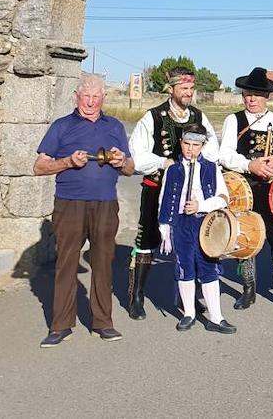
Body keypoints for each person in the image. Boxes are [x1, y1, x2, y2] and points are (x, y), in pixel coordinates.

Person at [34, 75, 134, 347]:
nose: (90, 102)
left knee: (103, 262)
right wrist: (67, 161)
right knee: (66, 262)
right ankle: (60, 325)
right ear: (76, 97)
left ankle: (103, 323)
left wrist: (120, 160)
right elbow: (39, 166)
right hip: (69, 203)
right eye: (85, 96)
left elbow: (129, 169)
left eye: (96, 96)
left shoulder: (114, 126)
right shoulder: (62, 126)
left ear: (103, 98)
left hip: (105, 203)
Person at [126, 67, 218, 320]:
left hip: (191, 195)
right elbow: (137, 154)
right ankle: (136, 295)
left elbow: (212, 150)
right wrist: (163, 163)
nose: (189, 93)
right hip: (157, 189)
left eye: (191, 89)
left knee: (192, 243)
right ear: (172, 89)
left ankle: (187, 296)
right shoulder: (153, 117)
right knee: (147, 241)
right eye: (184, 89)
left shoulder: (199, 116)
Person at [217, 67, 273, 310]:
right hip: (244, 188)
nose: (251, 99)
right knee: (245, 238)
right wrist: (249, 164)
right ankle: (248, 289)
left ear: (266, 97)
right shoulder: (233, 120)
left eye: (256, 94)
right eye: (247, 94)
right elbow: (224, 155)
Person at [157, 125, 236, 334]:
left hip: (204, 223)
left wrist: (201, 206)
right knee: (184, 266)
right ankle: (189, 313)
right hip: (181, 225)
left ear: (202, 146)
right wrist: (164, 226)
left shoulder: (211, 168)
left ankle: (216, 317)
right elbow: (164, 199)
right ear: (181, 143)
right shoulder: (173, 170)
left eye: (195, 145)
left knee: (208, 266)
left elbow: (223, 198)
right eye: (186, 144)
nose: (190, 149)